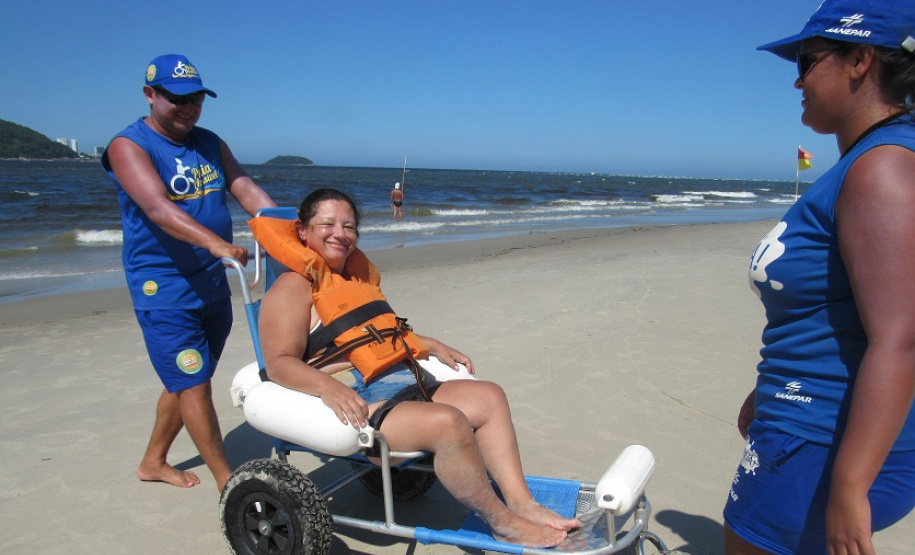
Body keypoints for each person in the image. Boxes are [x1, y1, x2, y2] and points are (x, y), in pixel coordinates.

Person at [256, 188, 579, 547]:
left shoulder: (355, 280)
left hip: (405, 381)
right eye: (327, 224)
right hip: (360, 396)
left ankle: (523, 503)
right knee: (449, 424)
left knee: (489, 396)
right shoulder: (293, 286)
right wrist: (329, 388)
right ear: (303, 231)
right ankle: (502, 522)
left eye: (349, 226)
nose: (340, 234)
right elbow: (278, 363)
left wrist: (433, 345)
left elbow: (377, 334)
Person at [723, 1, 915, 554]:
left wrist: (851, 485)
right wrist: (766, 393)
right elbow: (835, 311)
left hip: (820, 444)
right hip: (801, 428)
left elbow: (899, 338)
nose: (798, 81)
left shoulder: (882, 169)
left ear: (859, 59)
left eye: (807, 62)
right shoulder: (868, 165)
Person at [101, 54, 276, 491]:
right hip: (164, 288)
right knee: (193, 383)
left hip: (214, 281)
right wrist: (216, 243)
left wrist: (288, 225)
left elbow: (243, 187)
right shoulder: (129, 146)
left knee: (189, 378)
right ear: (150, 95)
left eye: (196, 98)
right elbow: (157, 207)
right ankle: (227, 481)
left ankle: (152, 461)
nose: (188, 107)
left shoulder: (210, 142)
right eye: (177, 98)